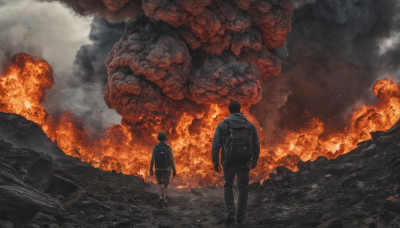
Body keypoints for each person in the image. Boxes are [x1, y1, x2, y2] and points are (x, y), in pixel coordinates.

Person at [212, 101, 260, 225]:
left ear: (229, 110)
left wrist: (215, 161)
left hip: (229, 160)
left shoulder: (222, 125)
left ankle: (230, 209)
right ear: (240, 110)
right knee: (243, 189)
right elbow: (256, 144)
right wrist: (255, 160)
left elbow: (216, 145)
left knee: (228, 185)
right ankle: (240, 217)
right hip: (244, 160)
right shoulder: (249, 125)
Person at [150, 131, 176, 208]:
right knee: (165, 185)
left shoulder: (156, 147)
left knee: (159, 184)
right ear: (165, 138)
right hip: (167, 169)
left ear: (158, 138)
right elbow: (171, 159)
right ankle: (165, 200)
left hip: (158, 169)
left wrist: (151, 168)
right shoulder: (168, 148)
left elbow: (153, 158)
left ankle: (160, 198)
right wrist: (174, 170)